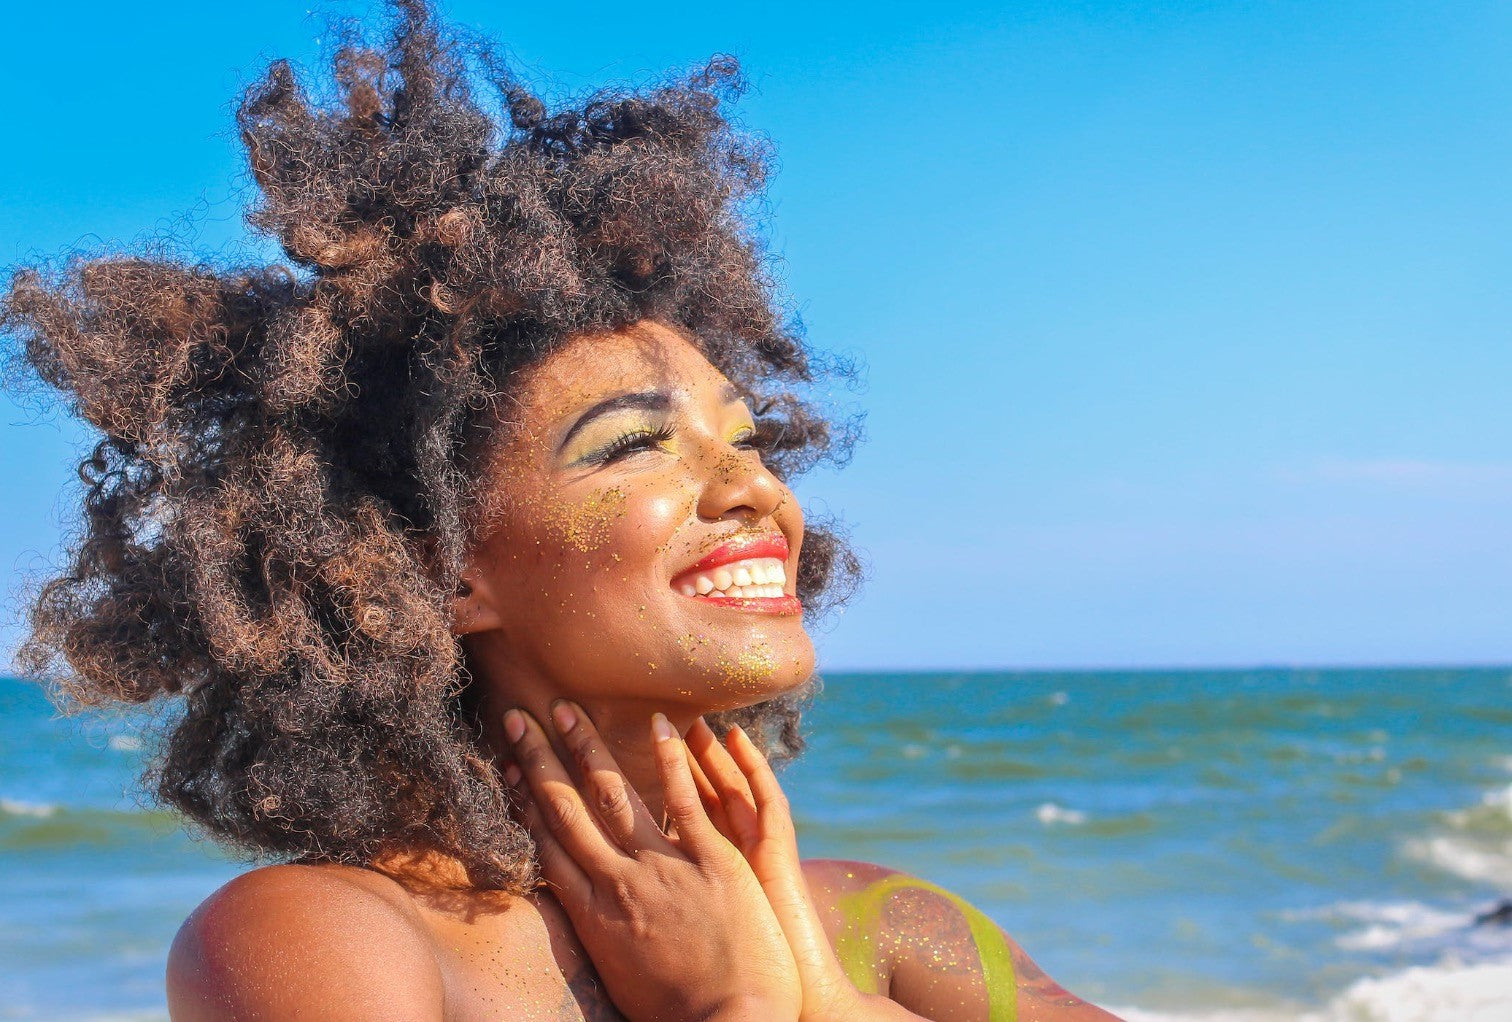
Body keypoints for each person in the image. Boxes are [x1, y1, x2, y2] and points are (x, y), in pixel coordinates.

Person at [2, 2, 1120, 1018]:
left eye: (745, 439)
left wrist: (820, 998)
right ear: (437, 572)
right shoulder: (324, 937)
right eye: (632, 445)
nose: (755, 488)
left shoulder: (888, 922)